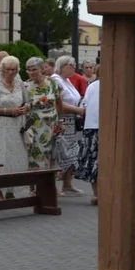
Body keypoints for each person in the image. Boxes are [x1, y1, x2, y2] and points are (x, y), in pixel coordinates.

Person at [0, 56, 30, 180]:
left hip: (17, 124)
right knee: (2, 154)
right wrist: (8, 110)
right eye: (8, 69)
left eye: (14, 70)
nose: (11, 72)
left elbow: (27, 102)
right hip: (1, 124)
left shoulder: (20, 84)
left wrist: (25, 108)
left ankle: (13, 188)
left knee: (17, 154)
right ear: (3, 70)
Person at [52, 55, 85, 195]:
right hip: (63, 120)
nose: (74, 68)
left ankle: (67, 183)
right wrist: (78, 110)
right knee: (60, 152)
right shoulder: (55, 80)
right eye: (71, 65)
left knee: (74, 152)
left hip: (73, 121)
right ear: (62, 66)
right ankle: (55, 185)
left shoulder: (68, 81)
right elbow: (56, 102)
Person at [24, 56, 62, 171]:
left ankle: (48, 186)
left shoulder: (52, 83)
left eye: (34, 69)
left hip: (51, 124)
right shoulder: (25, 86)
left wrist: (60, 121)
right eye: (29, 69)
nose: (31, 72)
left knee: (51, 155)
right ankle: (33, 186)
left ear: (41, 69)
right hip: (34, 124)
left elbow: (59, 103)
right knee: (34, 155)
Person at [75, 70, 100, 206]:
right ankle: (98, 194)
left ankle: (96, 194)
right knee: (95, 161)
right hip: (99, 127)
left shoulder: (92, 86)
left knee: (92, 160)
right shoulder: (94, 86)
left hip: (91, 126)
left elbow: (84, 105)